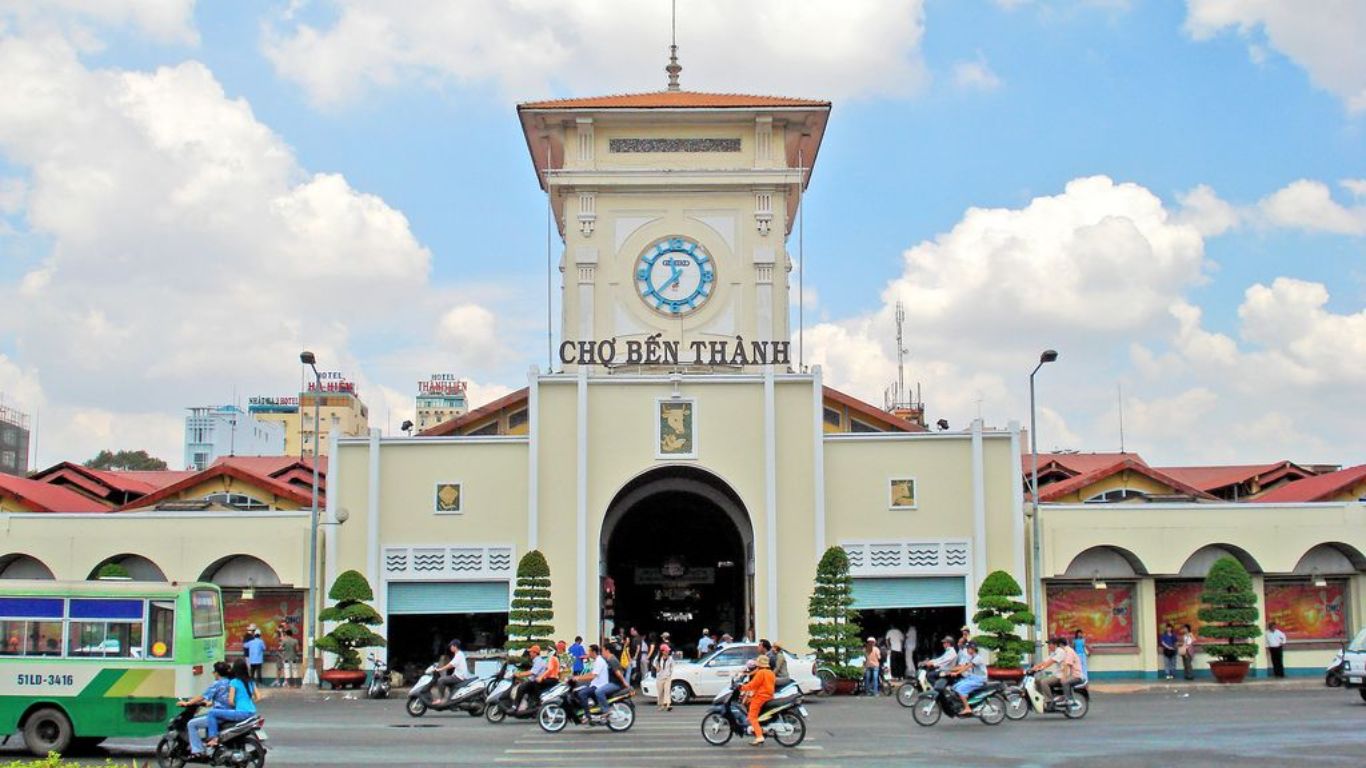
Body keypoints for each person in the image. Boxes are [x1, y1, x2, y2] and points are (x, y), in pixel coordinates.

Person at [177, 661, 232, 757]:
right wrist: (209, 703)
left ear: (217, 673)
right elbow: (223, 699)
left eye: (214, 671)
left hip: (219, 715)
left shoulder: (217, 684)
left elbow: (202, 696)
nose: (213, 673)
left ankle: (197, 750)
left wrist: (188, 703)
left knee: (191, 724)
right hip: (230, 713)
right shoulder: (231, 682)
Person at [204, 658, 257, 752]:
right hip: (252, 712)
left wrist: (238, 704)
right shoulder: (250, 681)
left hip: (241, 713)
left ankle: (213, 738)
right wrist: (247, 702)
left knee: (212, 713)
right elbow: (258, 697)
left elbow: (231, 702)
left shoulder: (234, 682)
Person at [1029, 637, 1083, 712]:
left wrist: (1039, 669)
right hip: (1057, 674)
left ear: (1056, 644)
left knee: (1043, 682)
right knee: (1037, 681)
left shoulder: (1061, 651)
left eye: (1050, 644)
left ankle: (1049, 702)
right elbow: (1045, 661)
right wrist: (1034, 667)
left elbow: (1051, 662)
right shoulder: (1054, 652)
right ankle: (1043, 699)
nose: (1048, 646)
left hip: (1061, 675)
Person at [738, 654, 775, 746]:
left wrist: (742, 687)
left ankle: (759, 736)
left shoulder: (761, 673)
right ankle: (760, 729)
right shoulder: (770, 672)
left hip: (761, 697)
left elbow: (753, 685)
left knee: (752, 717)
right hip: (769, 696)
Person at [949, 642, 988, 716]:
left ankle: (967, 708)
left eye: (968, 648)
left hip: (979, 679)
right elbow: (963, 666)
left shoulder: (978, 658)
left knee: (960, 689)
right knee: (955, 686)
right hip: (972, 678)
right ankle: (965, 699)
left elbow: (967, 667)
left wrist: (956, 673)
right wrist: (950, 670)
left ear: (973, 649)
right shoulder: (971, 657)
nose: (967, 650)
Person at [429, 639, 469, 706]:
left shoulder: (459, 655)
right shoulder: (459, 654)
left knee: (441, 680)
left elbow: (451, 665)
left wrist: (440, 669)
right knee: (446, 679)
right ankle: (451, 700)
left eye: (451, 646)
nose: (450, 648)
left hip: (459, 677)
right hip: (458, 676)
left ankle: (440, 699)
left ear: (455, 646)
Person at [512, 645, 550, 713]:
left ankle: (515, 706)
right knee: (522, 685)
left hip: (536, 683)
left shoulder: (538, 661)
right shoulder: (536, 661)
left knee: (521, 688)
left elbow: (532, 672)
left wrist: (519, 674)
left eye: (531, 652)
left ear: (535, 653)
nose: (529, 653)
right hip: (535, 681)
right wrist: (522, 677)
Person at [654, 639, 674, 711]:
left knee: (667, 691)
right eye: (666, 651)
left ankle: (668, 705)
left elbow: (672, 666)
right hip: (660, 677)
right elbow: (655, 666)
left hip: (667, 677)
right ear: (662, 651)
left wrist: (670, 673)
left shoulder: (670, 658)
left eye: (668, 651)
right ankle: (662, 705)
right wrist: (657, 667)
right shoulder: (658, 658)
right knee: (660, 692)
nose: (668, 652)